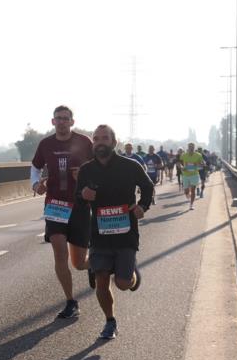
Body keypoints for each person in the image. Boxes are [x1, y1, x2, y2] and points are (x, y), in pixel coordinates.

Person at [77, 125, 154, 340]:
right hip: (99, 235)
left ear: (114, 142)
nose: (100, 142)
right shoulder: (86, 170)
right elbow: (78, 198)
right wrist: (83, 195)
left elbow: (148, 187)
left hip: (126, 234)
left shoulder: (130, 166)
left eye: (105, 138)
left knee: (122, 283)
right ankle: (110, 322)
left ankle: (131, 274)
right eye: (96, 138)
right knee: (101, 279)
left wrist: (142, 206)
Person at [30, 106, 94, 320]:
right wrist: (36, 184)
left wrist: (84, 175)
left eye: (66, 119)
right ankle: (70, 301)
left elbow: (100, 167)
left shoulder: (85, 142)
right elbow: (35, 167)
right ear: (52, 122)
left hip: (79, 206)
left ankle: (96, 263)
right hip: (55, 205)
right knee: (59, 251)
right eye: (58, 119)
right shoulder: (45, 144)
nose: (62, 122)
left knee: (79, 263)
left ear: (72, 122)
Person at [180, 143, 205, 210]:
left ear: (194, 148)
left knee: (193, 190)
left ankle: (191, 204)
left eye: (192, 147)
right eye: (190, 147)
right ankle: (189, 196)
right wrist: (182, 167)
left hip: (194, 175)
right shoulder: (184, 155)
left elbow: (203, 163)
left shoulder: (198, 155)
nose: (191, 148)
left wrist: (198, 163)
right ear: (188, 147)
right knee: (186, 192)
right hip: (185, 175)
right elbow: (179, 163)